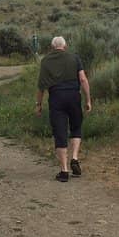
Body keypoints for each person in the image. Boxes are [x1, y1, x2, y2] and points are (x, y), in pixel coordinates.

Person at [35, 36, 92, 182]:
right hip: (74, 96)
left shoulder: (46, 61)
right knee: (76, 127)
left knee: (60, 132)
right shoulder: (74, 58)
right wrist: (88, 100)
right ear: (64, 46)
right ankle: (74, 158)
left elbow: (41, 86)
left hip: (56, 97)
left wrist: (39, 104)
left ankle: (64, 170)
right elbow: (83, 79)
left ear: (52, 47)